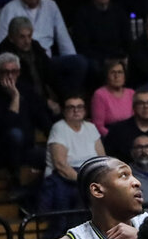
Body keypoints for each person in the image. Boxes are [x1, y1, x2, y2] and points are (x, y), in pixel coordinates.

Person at [0, 0, 87, 98]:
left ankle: (70, 103)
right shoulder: (9, 9)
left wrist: (71, 60)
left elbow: (64, 39)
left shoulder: (51, 5)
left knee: (79, 63)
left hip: (46, 60)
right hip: (22, 61)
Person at [0, 52, 52, 187]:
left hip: (26, 150)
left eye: (14, 72)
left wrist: (56, 138)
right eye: (5, 72)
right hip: (0, 151)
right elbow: (4, 127)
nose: (10, 76)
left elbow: (42, 119)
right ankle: (15, 179)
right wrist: (15, 98)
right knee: (15, 134)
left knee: (54, 157)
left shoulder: (27, 90)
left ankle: (30, 191)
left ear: (19, 73)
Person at [38, 96, 105, 224]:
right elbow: (61, 165)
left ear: (85, 111)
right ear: (64, 111)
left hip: (89, 174)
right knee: (79, 195)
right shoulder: (59, 128)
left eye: (79, 107)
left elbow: (102, 159)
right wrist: (84, 181)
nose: (76, 111)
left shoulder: (91, 127)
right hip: (66, 177)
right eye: (71, 107)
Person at [72, 0, 132, 89]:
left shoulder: (120, 12)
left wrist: (125, 56)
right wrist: (105, 60)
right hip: (96, 60)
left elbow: (127, 40)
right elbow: (82, 45)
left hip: (118, 57)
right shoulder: (83, 14)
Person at [0, 16, 64, 110]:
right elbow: (18, 85)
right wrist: (44, 102)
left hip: (43, 100)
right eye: (22, 37)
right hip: (20, 104)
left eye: (29, 36)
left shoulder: (35, 46)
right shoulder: (5, 53)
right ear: (11, 38)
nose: (27, 41)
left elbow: (50, 71)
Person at [90, 59, 135, 137]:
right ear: (106, 76)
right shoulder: (100, 94)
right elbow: (98, 126)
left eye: (120, 72)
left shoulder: (131, 93)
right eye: (113, 72)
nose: (116, 76)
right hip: (110, 136)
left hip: (130, 134)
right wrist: (114, 137)